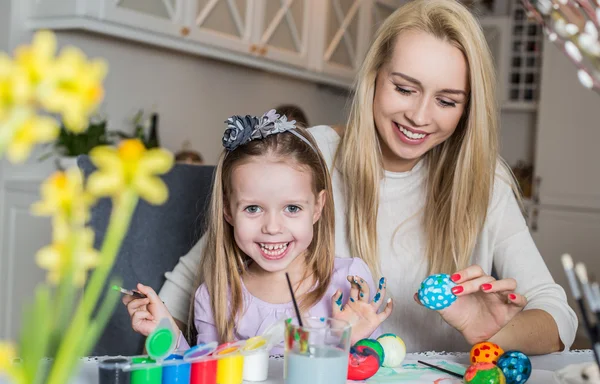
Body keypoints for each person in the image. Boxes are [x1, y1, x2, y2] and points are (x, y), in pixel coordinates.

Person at [158, 0, 577, 354]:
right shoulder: (311, 156)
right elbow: (183, 290)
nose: (419, 116)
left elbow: (558, 317)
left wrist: (492, 336)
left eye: (446, 100)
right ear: (374, 78)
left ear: (467, 109)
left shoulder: (486, 183)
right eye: (404, 88)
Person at [123, 110, 393, 349]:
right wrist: (166, 333)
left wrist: (353, 342)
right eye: (253, 209)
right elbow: (205, 382)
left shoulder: (348, 280)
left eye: (292, 208)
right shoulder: (217, 296)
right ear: (228, 210)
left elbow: (376, 373)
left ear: (318, 207)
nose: (273, 228)